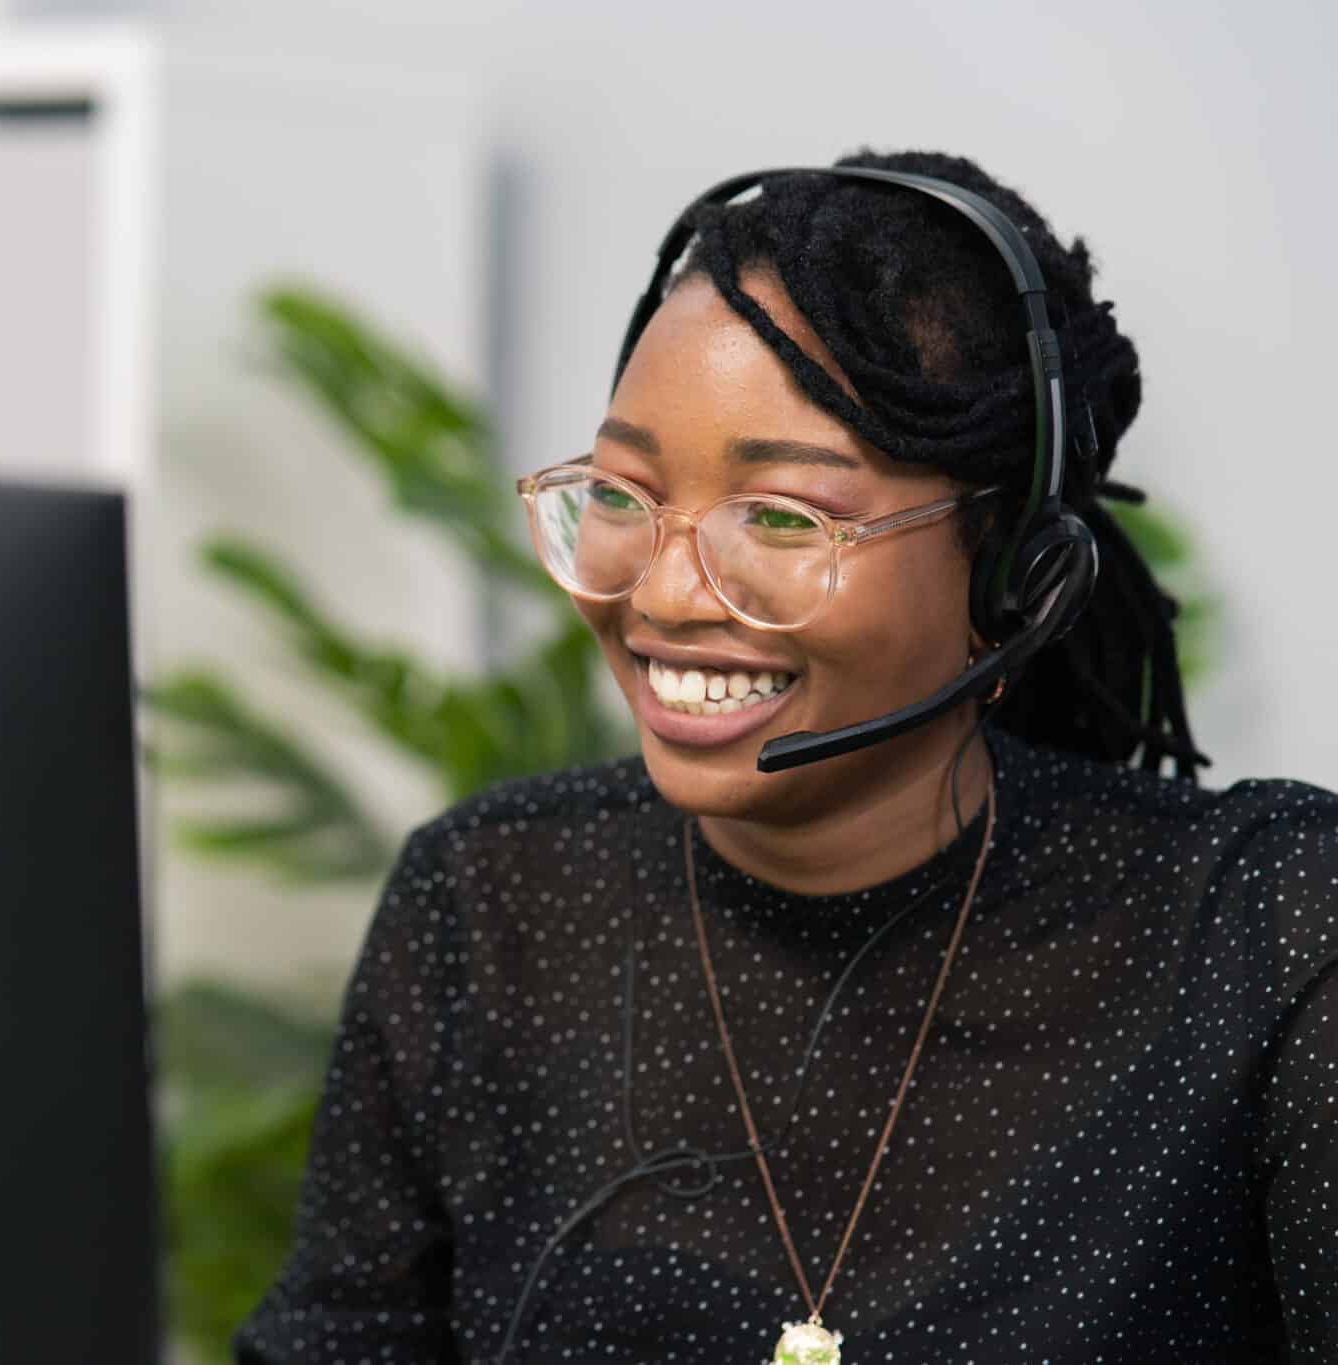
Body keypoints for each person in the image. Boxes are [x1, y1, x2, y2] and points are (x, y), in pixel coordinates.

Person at [231, 148, 1338, 1362]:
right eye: (619, 492)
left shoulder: (1262, 936)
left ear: (1013, 572)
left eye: (778, 517)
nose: (659, 590)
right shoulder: (490, 905)